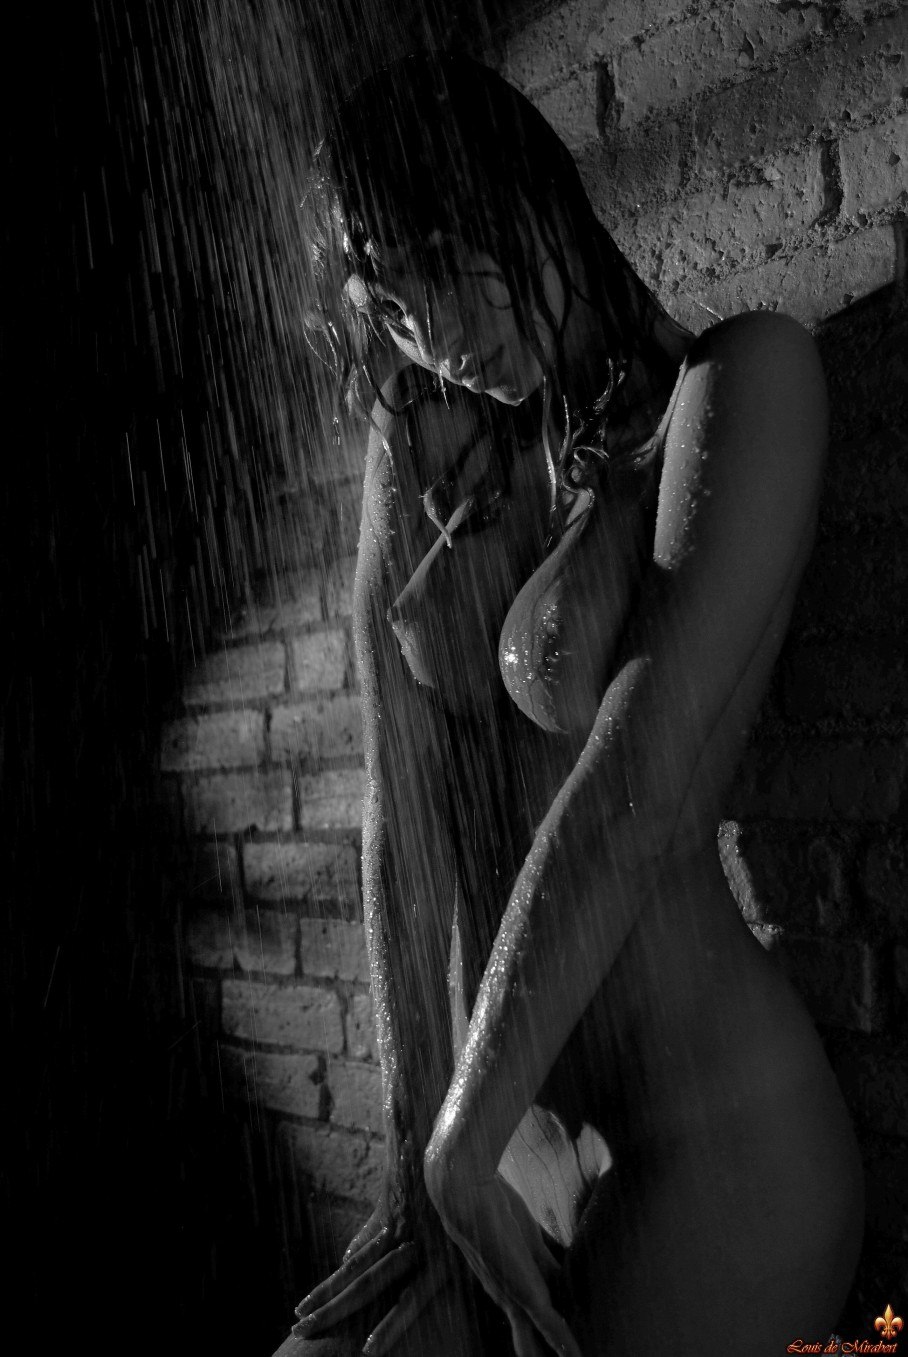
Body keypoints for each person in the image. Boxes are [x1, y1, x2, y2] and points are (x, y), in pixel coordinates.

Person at [280, 52, 863, 1357]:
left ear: (524, 195)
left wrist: (461, 1131)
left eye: (445, 264)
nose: (433, 330)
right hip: (506, 1144)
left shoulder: (739, 386)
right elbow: (401, 798)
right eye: (391, 305)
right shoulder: (431, 436)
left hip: (713, 1143)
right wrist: (419, 1138)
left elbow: (635, 788)